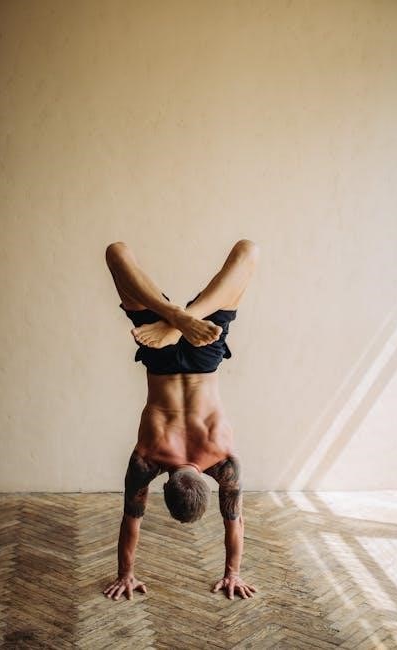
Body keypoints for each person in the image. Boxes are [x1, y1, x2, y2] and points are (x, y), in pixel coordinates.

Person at [102, 239, 259, 601]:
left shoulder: (223, 461)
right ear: (165, 485)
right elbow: (131, 521)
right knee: (117, 254)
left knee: (248, 251)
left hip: (205, 354)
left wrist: (233, 573)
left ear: (207, 483)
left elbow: (234, 522)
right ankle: (180, 319)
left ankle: (179, 319)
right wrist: (125, 575)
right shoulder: (148, 459)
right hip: (160, 357)